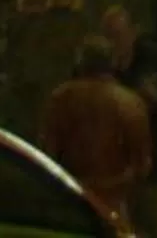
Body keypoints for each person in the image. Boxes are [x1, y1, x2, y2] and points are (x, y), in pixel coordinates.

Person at [99, 4, 157, 238]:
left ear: (132, 32)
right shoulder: (98, 67)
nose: (113, 44)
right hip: (115, 177)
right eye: (108, 37)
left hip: (156, 173)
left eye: (117, 35)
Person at [41, 38, 150, 232]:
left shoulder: (61, 99)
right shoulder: (130, 103)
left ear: (81, 62)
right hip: (111, 204)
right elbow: (141, 166)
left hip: (71, 201)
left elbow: (48, 156)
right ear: (112, 64)